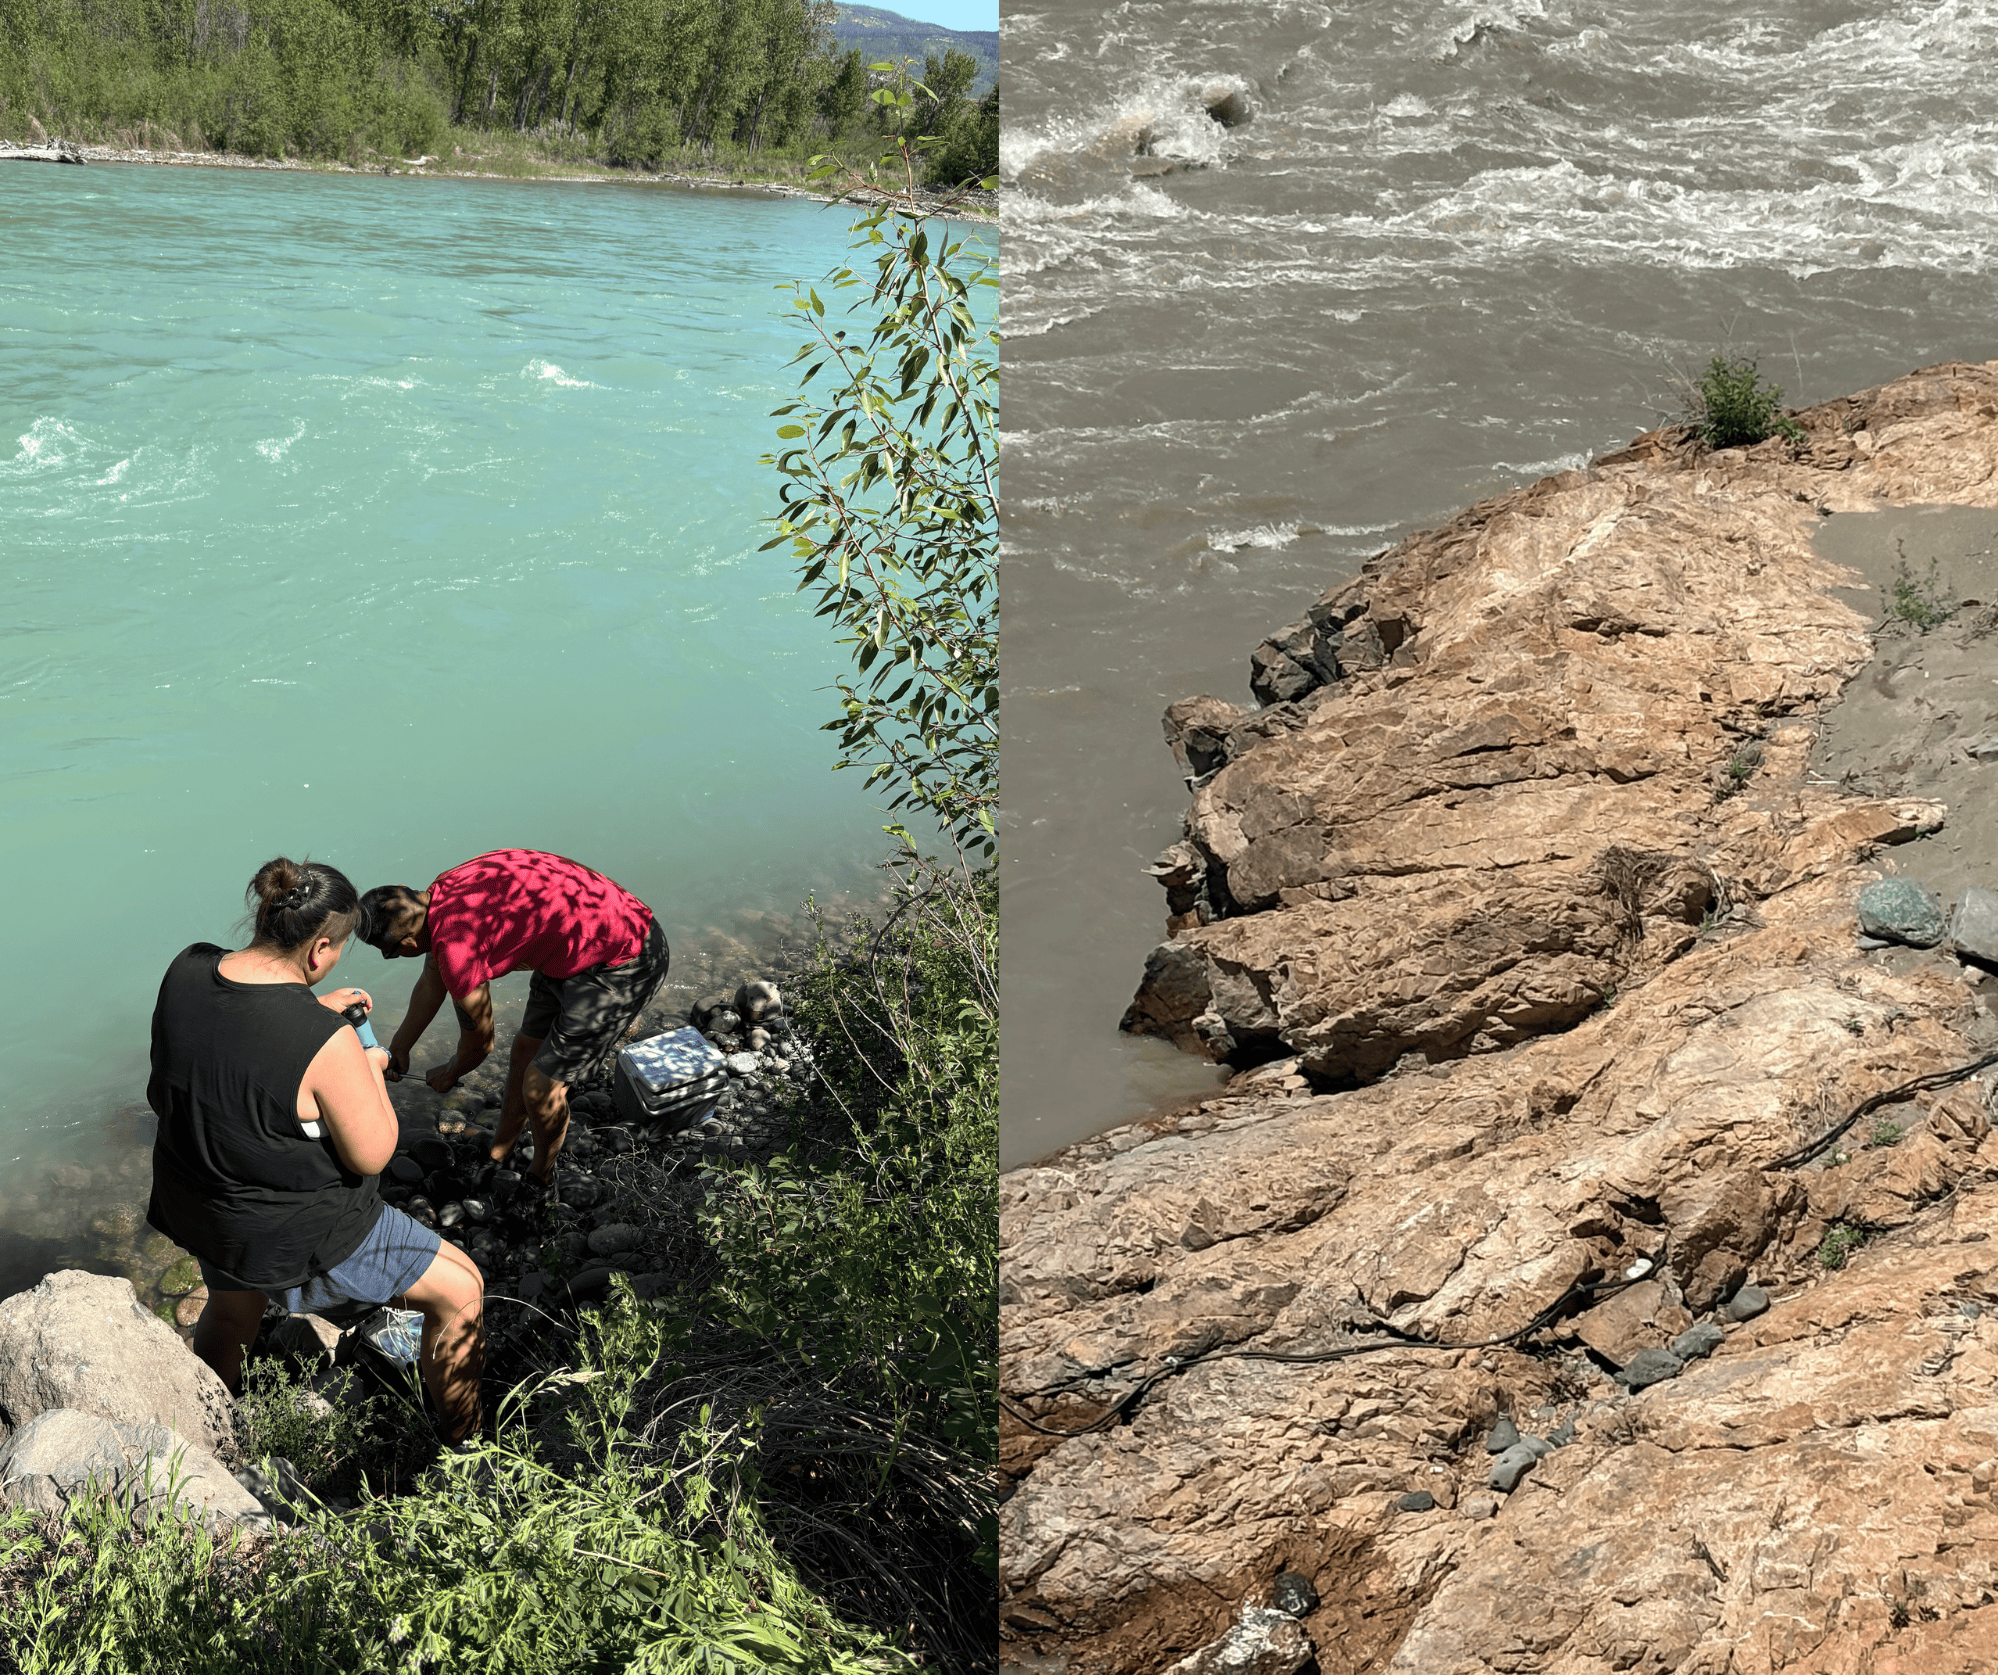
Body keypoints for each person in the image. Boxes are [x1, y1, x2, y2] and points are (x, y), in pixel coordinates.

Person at [146, 857, 484, 1441]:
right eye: (339, 949)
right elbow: (373, 1154)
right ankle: (467, 1444)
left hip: (201, 1206)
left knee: (231, 1310)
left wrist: (312, 1009)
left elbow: (236, 1029)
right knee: (463, 1289)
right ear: (320, 948)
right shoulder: (327, 1044)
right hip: (293, 1234)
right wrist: (367, 1064)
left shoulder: (187, 968)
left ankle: (205, 1438)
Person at [356, 849, 669, 1190]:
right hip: (574, 941)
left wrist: (450, 1073)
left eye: (390, 952)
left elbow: (480, 1044)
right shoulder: (444, 889)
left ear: (408, 942)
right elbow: (432, 981)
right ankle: (500, 1149)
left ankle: (541, 1176)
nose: (391, 956)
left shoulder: (457, 948)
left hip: (625, 957)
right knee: (523, 1052)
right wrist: (400, 1047)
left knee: (541, 1088)